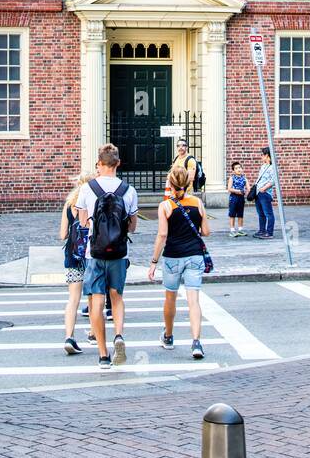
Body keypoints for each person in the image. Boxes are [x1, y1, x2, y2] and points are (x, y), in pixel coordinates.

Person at [76, 145, 138, 371]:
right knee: (117, 296)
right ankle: (119, 335)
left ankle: (103, 355)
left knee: (97, 300)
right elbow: (132, 226)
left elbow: (83, 222)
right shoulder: (128, 190)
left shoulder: (87, 189)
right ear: (118, 163)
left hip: (94, 253)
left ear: (99, 164)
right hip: (120, 253)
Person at [148, 162, 209, 359]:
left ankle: (168, 335)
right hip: (194, 255)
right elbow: (206, 231)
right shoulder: (197, 203)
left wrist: (154, 261)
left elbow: (162, 235)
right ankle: (196, 342)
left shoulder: (165, 206)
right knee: (194, 301)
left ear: (171, 185)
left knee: (170, 298)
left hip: (173, 256)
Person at [59, 172, 91, 355]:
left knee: (73, 299)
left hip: (72, 254)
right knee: (94, 296)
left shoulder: (68, 205)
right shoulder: (90, 204)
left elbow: (62, 234)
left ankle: (69, 336)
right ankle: (94, 333)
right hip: (90, 255)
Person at [252, 147, 276, 238]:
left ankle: (269, 233)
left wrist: (264, 188)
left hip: (265, 193)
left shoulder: (272, 167)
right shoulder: (263, 166)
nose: (261, 157)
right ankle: (262, 230)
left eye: (262, 155)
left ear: (267, 156)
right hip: (258, 192)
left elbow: (273, 181)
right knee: (260, 213)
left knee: (268, 213)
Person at [227, 161, 248, 235]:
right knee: (232, 214)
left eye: (239, 168)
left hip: (241, 198)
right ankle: (232, 230)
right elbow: (229, 189)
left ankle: (240, 229)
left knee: (240, 214)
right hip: (233, 198)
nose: (238, 169)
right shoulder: (232, 178)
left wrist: (248, 192)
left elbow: (248, 188)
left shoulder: (244, 178)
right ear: (233, 171)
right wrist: (238, 191)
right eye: (236, 168)